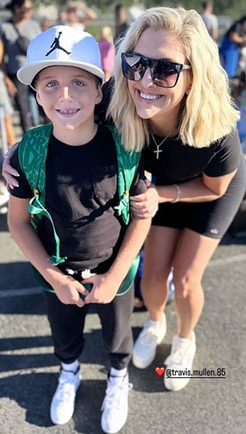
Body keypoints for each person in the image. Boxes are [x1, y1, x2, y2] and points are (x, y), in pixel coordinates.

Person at [6, 25, 150, 433]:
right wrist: (53, 276)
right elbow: (17, 222)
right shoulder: (28, 152)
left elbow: (142, 215)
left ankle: (118, 378)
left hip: (115, 271)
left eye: (78, 82)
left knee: (118, 338)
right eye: (50, 83)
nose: (64, 96)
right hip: (56, 271)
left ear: (100, 90)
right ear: (35, 93)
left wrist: (117, 273)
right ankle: (68, 373)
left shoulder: (125, 145)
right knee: (65, 335)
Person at [108, 7, 246, 392]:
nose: (145, 79)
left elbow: (215, 188)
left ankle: (185, 338)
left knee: (185, 280)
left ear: (192, 76)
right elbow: (67, 124)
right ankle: (155, 321)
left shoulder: (219, 126)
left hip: (211, 190)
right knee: (151, 278)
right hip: (163, 187)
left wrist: (162, 195)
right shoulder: (117, 95)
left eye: (165, 69)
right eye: (135, 63)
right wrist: (19, 157)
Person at [1, 0, 42, 132]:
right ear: (17, 9)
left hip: (36, 71)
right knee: (23, 110)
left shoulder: (34, 25)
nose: (30, 12)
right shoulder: (5, 28)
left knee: (45, 106)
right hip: (16, 73)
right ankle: (29, 142)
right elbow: (2, 56)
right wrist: (6, 79)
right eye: (27, 8)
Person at [219, 14, 246, 79]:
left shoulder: (242, 28)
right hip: (229, 48)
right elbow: (233, 37)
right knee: (227, 66)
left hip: (234, 49)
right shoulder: (238, 26)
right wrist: (243, 40)